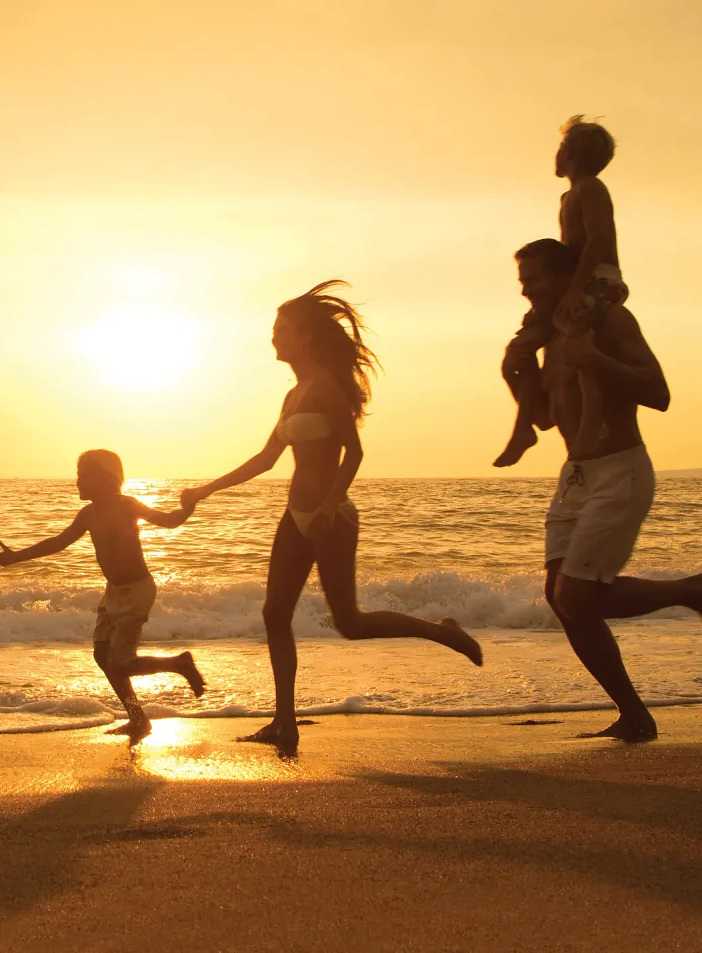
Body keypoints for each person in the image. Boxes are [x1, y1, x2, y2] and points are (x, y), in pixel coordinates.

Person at [180, 281, 481, 754]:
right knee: (275, 613)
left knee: (350, 622)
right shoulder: (294, 394)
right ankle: (285, 722)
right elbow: (265, 460)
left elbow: (354, 453)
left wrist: (327, 506)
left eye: (280, 330)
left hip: (331, 518)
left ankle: (441, 631)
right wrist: (205, 490)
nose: (273, 339)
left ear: (305, 336)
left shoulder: (325, 389)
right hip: (295, 515)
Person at [506, 238, 702, 741]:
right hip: (576, 476)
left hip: (620, 470)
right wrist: (518, 370)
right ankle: (634, 713)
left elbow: (659, 393)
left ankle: (693, 590)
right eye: (521, 284)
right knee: (561, 597)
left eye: (534, 281)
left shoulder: (608, 323)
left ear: (566, 278)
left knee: (577, 595)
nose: (526, 293)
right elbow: (545, 417)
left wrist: (594, 359)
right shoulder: (550, 334)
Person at [0, 448, 206, 741]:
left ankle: (177, 664)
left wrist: (187, 508)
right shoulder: (88, 514)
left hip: (137, 591)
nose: (78, 482)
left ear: (107, 479)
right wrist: (17, 558)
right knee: (103, 656)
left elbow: (167, 521)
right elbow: (59, 542)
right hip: (114, 592)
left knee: (121, 662)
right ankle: (138, 718)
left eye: (84, 476)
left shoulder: (127, 505)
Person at [497, 115, 626, 466]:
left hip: (598, 280)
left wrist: (576, 289)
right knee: (518, 354)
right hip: (573, 282)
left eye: (560, 147)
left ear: (570, 153)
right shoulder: (568, 196)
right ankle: (527, 425)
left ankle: (591, 422)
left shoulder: (591, 189)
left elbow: (598, 241)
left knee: (576, 341)